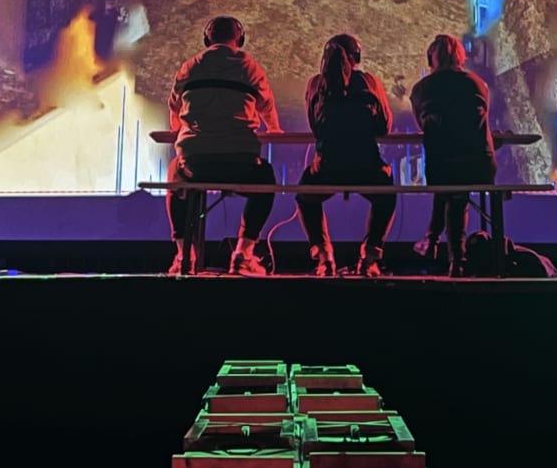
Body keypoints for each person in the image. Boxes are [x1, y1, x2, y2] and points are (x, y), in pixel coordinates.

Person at [166, 16, 282, 276]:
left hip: (195, 163)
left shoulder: (188, 68)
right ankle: (243, 254)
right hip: (241, 162)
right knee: (266, 177)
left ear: (207, 40)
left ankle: (184, 256)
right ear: (239, 40)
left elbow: (174, 110)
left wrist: (178, 129)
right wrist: (274, 129)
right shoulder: (251, 68)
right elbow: (267, 108)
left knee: (176, 173)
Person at [298, 34, 396, 277]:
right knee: (386, 193)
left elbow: (315, 126)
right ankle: (370, 258)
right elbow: (385, 126)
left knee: (305, 195)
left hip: (327, 168)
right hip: (366, 167)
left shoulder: (315, 84)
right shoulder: (369, 82)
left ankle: (324, 257)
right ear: (357, 57)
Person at [409, 34, 495, 278]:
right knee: (455, 192)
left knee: (449, 186)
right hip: (480, 165)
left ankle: (446, 251)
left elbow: (423, 127)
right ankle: (448, 252)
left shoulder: (421, 89)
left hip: (442, 167)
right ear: (461, 56)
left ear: (431, 58)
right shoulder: (478, 83)